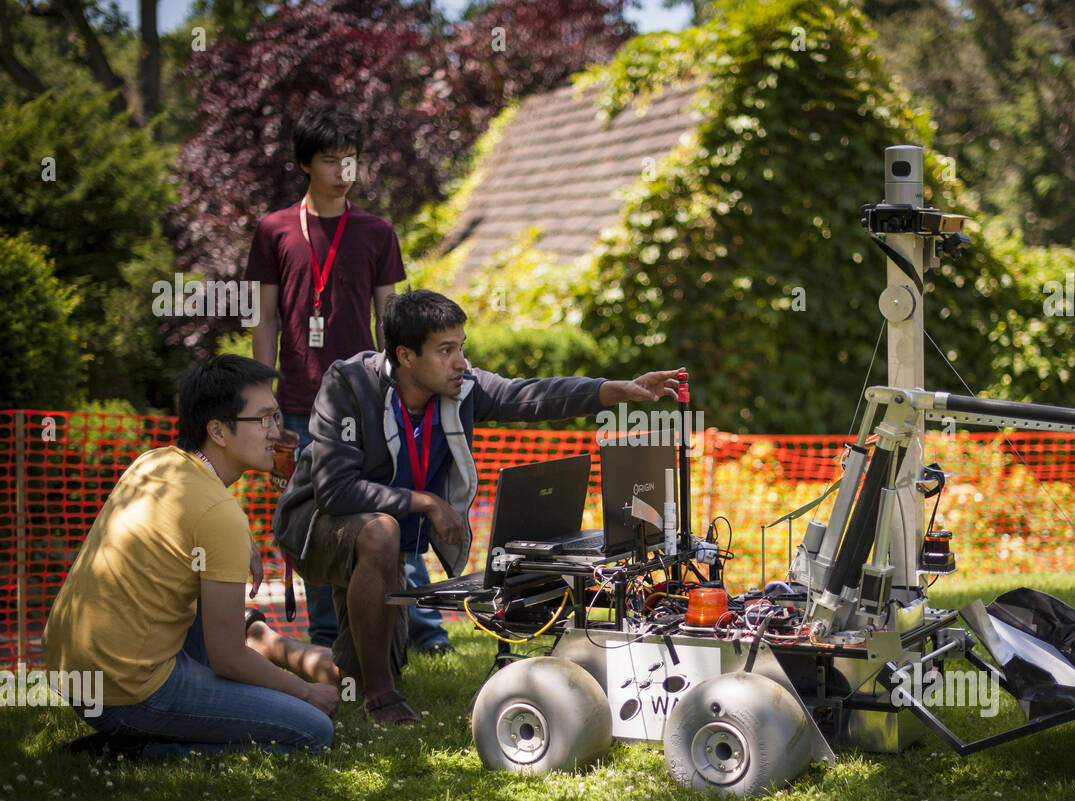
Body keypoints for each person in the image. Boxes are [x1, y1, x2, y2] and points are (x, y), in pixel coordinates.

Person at [273, 289, 682, 724]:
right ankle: (382, 697)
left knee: (349, 672)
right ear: (405, 356)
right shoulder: (348, 385)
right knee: (381, 534)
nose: (461, 362)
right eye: (446, 350)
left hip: (376, 539)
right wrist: (426, 502)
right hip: (314, 524)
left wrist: (610, 391)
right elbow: (335, 490)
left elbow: (528, 396)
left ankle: (267, 645)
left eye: (461, 347)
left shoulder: (463, 389)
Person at [44, 356, 340, 759]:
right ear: (217, 430)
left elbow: (186, 528)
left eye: (276, 416)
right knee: (313, 731)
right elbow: (229, 658)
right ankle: (132, 748)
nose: (278, 432)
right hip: (127, 692)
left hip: (71, 672)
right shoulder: (219, 514)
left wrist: (243, 543)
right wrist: (307, 692)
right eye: (265, 419)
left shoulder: (155, 461)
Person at [243, 104, 452, 655]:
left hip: (368, 402)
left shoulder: (377, 232)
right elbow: (261, 318)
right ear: (306, 164)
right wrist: (264, 401)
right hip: (295, 402)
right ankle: (327, 637)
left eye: (351, 160)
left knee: (393, 509)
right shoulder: (273, 230)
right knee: (316, 520)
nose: (344, 171)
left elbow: (396, 320)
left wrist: (405, 391)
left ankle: (426, 635)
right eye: (332, 160)